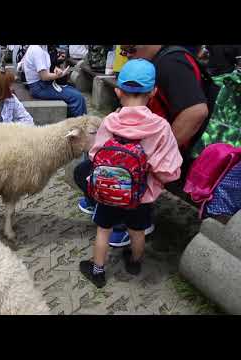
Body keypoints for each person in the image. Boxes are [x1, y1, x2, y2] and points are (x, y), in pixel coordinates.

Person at [76, 44, 216, 247]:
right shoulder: (155, 62)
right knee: (85, 170)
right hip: (145, 152)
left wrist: (150, 159)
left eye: (129, 49)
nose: (125, 53)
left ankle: (130, 222)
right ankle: (119, 213)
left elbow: (196, 112)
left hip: (172, 158)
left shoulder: (171, 63)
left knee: (87, 173)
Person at [78, 59, 182, 288]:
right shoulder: (161, 127)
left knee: (103, 231)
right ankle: (135, 262)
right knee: (137, 231)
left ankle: (97, 271)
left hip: (108, 192)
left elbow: (96, 155)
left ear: (117, 92)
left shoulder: (111, 121)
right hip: (140, 196)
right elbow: (169, 172)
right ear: (153, 92)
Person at [22, 45, 87, 117]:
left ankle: (78, 122)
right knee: (77, 97)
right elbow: (44, 76)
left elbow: (44, 68)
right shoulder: (37, 51)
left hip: (41, 85)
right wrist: (61, 75)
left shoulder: (39, 48)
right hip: (40, 87)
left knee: (74, 91)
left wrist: (55, 69)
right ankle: (80, 124)